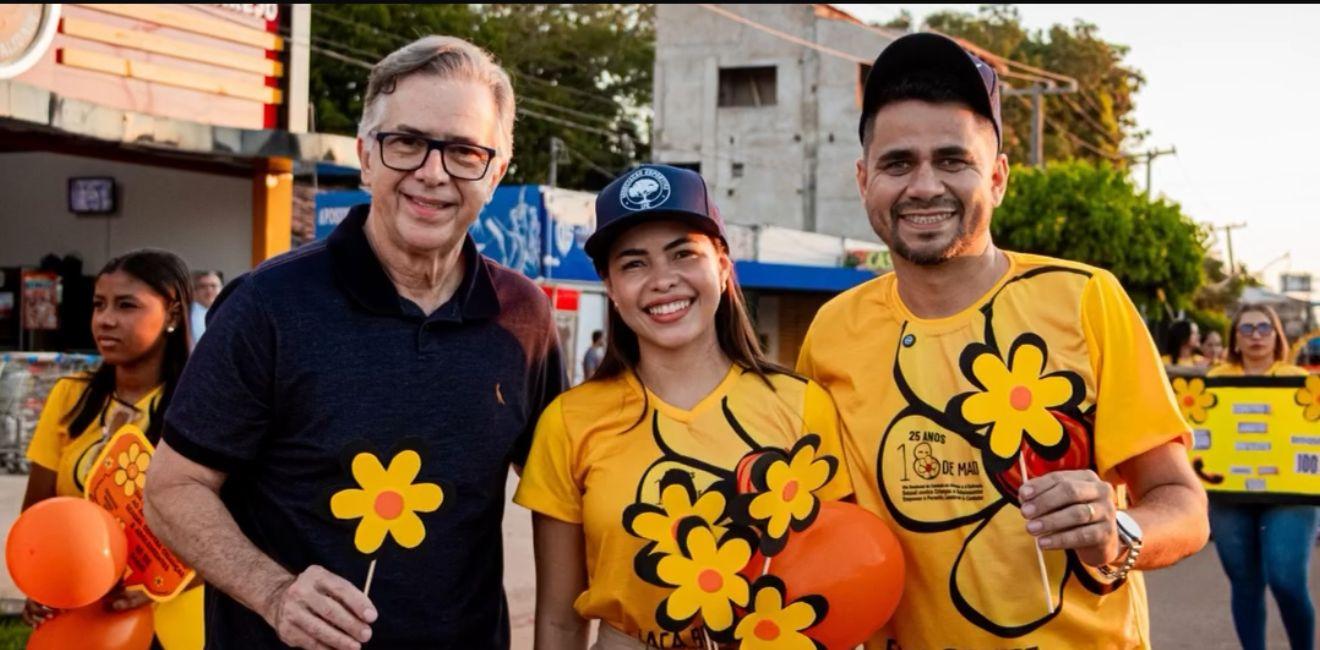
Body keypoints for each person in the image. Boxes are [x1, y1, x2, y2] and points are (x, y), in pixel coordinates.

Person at [143, 35, 565, 649]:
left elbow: (568, 490)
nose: (432, 172)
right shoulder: (268, 304)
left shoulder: (523, 317)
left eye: (464, 151)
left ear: (495, 172)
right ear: (366, 156)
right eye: (407, 143)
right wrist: (273, 591)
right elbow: (172, 489)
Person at [795, 33, 1209, 648]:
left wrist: (1118, 529)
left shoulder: (1085, 298)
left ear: (998, 176)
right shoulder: (832, 331)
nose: (925, 185)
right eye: (898, 163)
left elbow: (1182, 504)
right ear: (864, 180)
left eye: (953, 160)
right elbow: (822, 522)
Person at [515, 164, 851, 649]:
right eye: (634, 263)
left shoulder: (802, 407)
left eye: (683, 254)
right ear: (610, 285)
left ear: (721, 263)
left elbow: (835, 585)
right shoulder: (569, 422)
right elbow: (560, 623)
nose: (662, 280)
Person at [21, 249, 203, 648]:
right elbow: (38, 511)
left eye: (127, 305)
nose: (106, 319)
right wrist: (43, 581)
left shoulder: (204, 406)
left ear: (172, 314)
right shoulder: (69, 397)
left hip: (177, 626)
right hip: (82, 624)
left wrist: (170, 581)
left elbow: (242, 523)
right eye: (99, 305)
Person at [1206, 304, 1316, 650]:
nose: (1256, 335)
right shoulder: (1213, 381)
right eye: (1247, 328)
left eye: (1264, 328)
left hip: (1290, 496)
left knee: (1286, 580)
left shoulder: (1303, 383)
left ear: (1276, 336)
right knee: (1244, 582)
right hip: (1230, 496)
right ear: (1235, 338)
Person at [188, 270, 223, 345]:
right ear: (194, 292)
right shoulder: (188, 316)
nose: (209, 290)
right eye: (203, 286)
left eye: (213, 286)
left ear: (222, 289)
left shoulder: (227, 313)